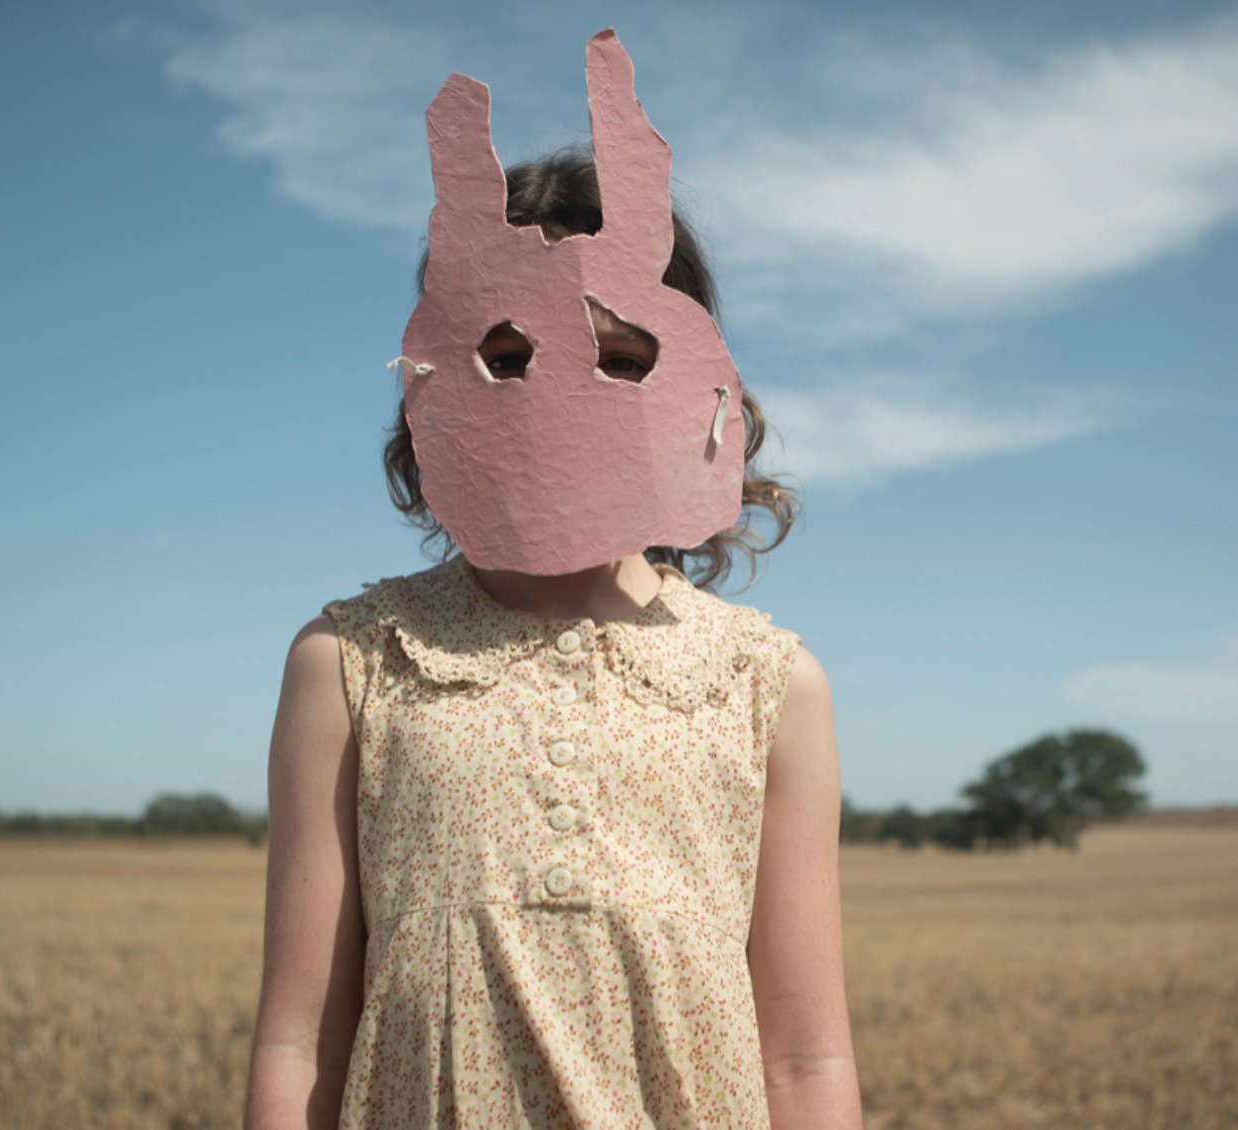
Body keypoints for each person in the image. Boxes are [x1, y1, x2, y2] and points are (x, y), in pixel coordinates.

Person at [245, 30, 861, 1128]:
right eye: (510, 359)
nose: (568, 402)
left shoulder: (768, 683)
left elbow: (806, 1057)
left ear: (701, 392)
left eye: (622, 361)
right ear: (433, 383)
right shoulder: (354, 660)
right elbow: (299, 1034)